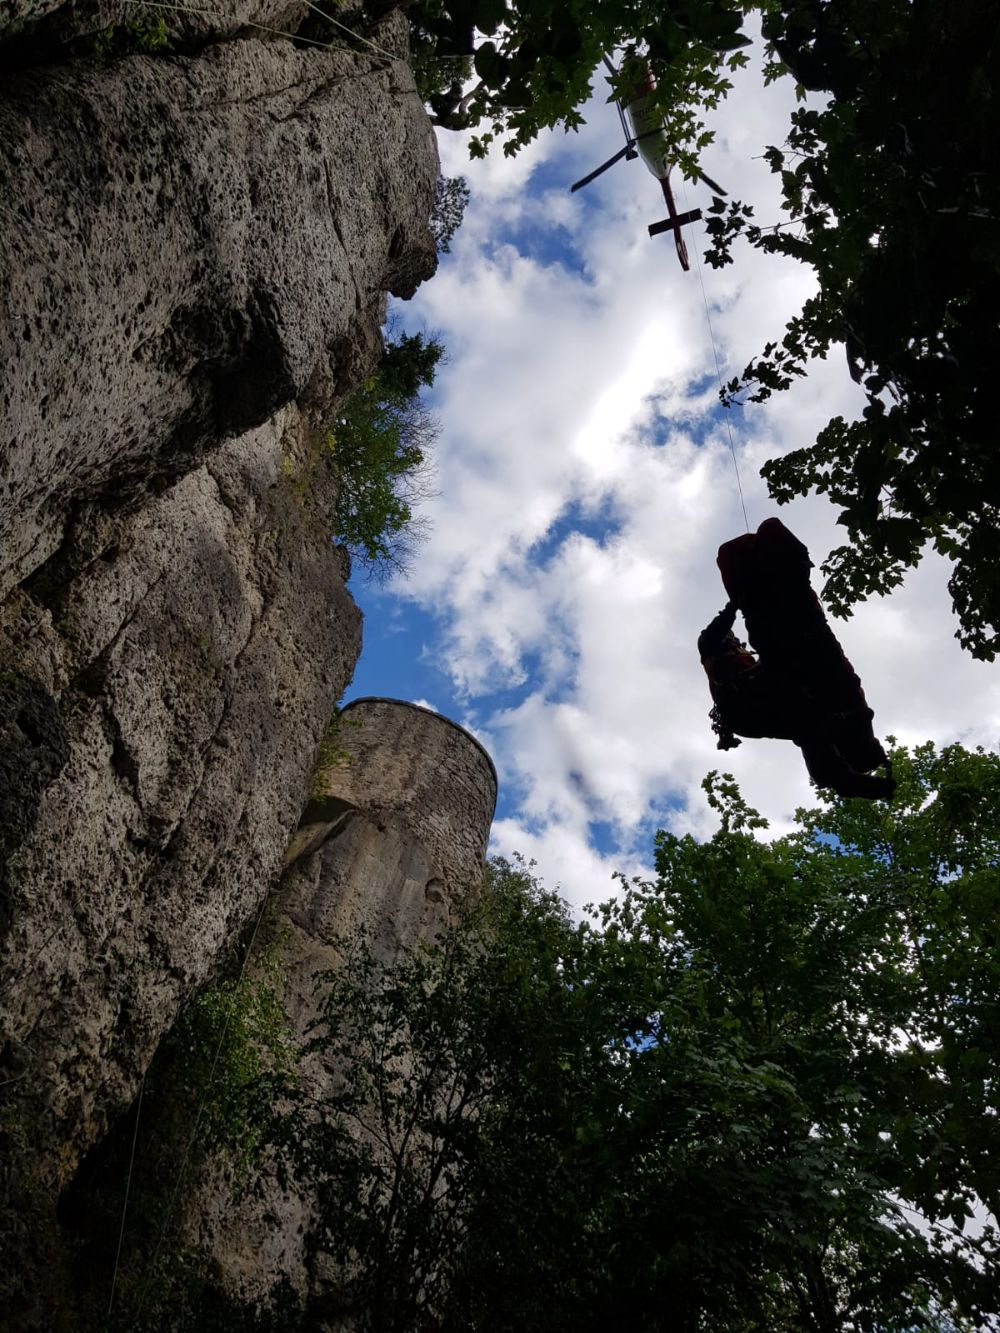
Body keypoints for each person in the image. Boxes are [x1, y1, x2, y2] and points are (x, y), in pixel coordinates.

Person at [699, 519, 896, 801]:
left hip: (752, 709)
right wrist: (735, 604)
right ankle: (838, 773)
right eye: (735, 640)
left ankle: (843, 771)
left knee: (807, 721)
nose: (739, 643)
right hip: (745, 708)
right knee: (803, 712)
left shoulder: (741, 668)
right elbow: (717, 629)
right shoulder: (710, 647)